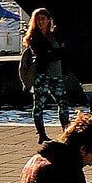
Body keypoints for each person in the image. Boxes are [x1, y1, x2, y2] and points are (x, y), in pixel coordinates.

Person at [22, 8, 71, 143]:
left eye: (43, 18)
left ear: (49, 20)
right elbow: (44, 55)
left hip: (57, 74)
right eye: (38, 19)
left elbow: (64, 52)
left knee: (63, 104)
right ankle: (41, 134)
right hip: (42, 76)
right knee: (38, 106)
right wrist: (57, 51)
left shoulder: (56, 34)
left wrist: (56, 52)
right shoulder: (34, 37)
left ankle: (66, 131)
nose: (40, 22)